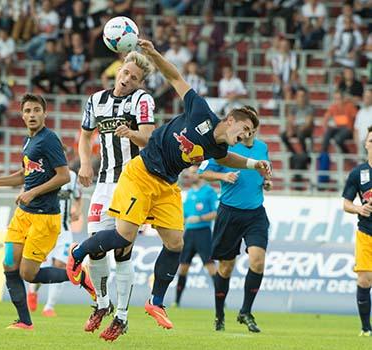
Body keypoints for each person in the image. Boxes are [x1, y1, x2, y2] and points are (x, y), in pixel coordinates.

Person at [66, 38, 271, 335]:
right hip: (141, 173)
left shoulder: (217, 149)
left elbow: (229, 159)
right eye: (246, 130)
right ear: (231, 120)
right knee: (124, 235)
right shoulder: (200, 111)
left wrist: (254, 164)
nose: (247, 136)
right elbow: (175, 77)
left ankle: (156, 301)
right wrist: (152, 53)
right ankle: (78, 253)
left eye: (251, 134)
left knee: (176, 243)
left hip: (166, 185)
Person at [0, 93, 95, 330]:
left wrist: (33, 192)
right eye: (27, 111)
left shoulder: (49, 140)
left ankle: (79, 275)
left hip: (45, 218)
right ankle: (24, 321)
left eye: (36, 110)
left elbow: (63, 176)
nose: (32, 115)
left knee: (28, 274)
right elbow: (23, 175)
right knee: (9, 264)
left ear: (44, 113)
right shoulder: (28, 141)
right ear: (22, 115)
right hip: (23, 214)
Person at [79, 51, 155, 341]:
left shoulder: (142, 100)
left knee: (122, 253)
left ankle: (122, 317)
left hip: (132, 183)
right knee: (95, 247)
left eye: (134, 78)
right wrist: (86, 163)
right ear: (119, 69)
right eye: (125, 73)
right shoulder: (96, 99)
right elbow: (85, 136)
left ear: (140, 82)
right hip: (103, 183)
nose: (127, 80)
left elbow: (149, 137)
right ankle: (101, 303)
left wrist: (132, 133)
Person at [199, 129, 272, 333]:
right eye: (245, 127)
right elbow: (202, 172)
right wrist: (223, 175)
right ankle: (219, 313)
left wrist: (266, 182)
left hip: (255, 213)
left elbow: (264, 172)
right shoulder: (226, 146)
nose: (248, 132)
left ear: (256, 129)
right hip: (229, 214)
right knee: (226, 267)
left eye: (252, 128)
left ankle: (245, 311)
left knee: (257, 261)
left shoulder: (262, 147)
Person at [27, 169, 82, 317]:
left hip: (64, 231)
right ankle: (32, 291)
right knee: (39, 267)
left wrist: (77, 210)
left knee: (61, 266)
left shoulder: (71, 176)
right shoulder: (41, 173)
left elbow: (78, 196)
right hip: (44, 230)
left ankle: (49, 307)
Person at [342, 125, 372, 337]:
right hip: (366, 233)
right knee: (364, 280)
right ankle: (366, 328)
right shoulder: (358, 173)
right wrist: (359, 208)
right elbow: (345, 203)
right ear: (366, 144)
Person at [174, 166, 218, 307]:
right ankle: (177, 301)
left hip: (203, 233)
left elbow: (217, 213)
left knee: (210, 266)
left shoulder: (209, 192)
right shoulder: (190, 193)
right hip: (189, 234)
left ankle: (220, 300)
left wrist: (200, 218)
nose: (189, 175)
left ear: (200, 174)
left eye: (193, 173)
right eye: (189, 173)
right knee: (183, 267)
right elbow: (184, 216)